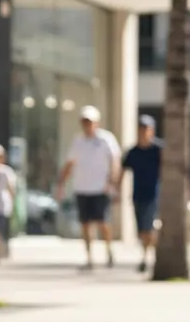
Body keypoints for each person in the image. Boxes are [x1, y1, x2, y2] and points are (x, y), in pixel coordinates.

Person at [56, 106, 121, 271]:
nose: (87, 124)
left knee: (103, 223)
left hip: (101, 189)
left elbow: (115, 161)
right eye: (84, 121)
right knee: (85, 225)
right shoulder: (78, 141)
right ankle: (89, 258)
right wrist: (61, 183)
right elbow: (70, 163)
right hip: (82, 188)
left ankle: (109, 252)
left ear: (96, 123)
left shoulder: (106, 139)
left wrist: (112, 182)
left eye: (90, 121)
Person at [119, 115, 164, 273]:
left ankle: (149, 257)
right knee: (141, 229)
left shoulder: (159, 150)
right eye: (141, 128)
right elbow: (123, 171)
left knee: (150, 227)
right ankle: (146, 254)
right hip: (138, 194)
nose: (144, 131)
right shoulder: (133, 152)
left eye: (147, 128)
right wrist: (117, 191)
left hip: (155, 194)